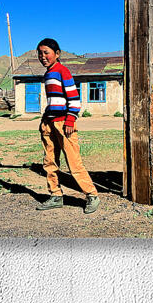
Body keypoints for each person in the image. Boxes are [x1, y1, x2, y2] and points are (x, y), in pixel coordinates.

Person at [34, 38, 100, 214]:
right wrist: (45, 120)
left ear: (57, 54)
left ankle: (92, 195)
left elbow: (74, 98)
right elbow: (54, 100)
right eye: (40, 53)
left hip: (64, 123)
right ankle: (55, 195)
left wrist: (70, 119)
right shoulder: (49, 73)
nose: (43, 56)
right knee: (49, 161)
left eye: (46, 52)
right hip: (49, 122)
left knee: (74, 162)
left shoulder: (63, 71)